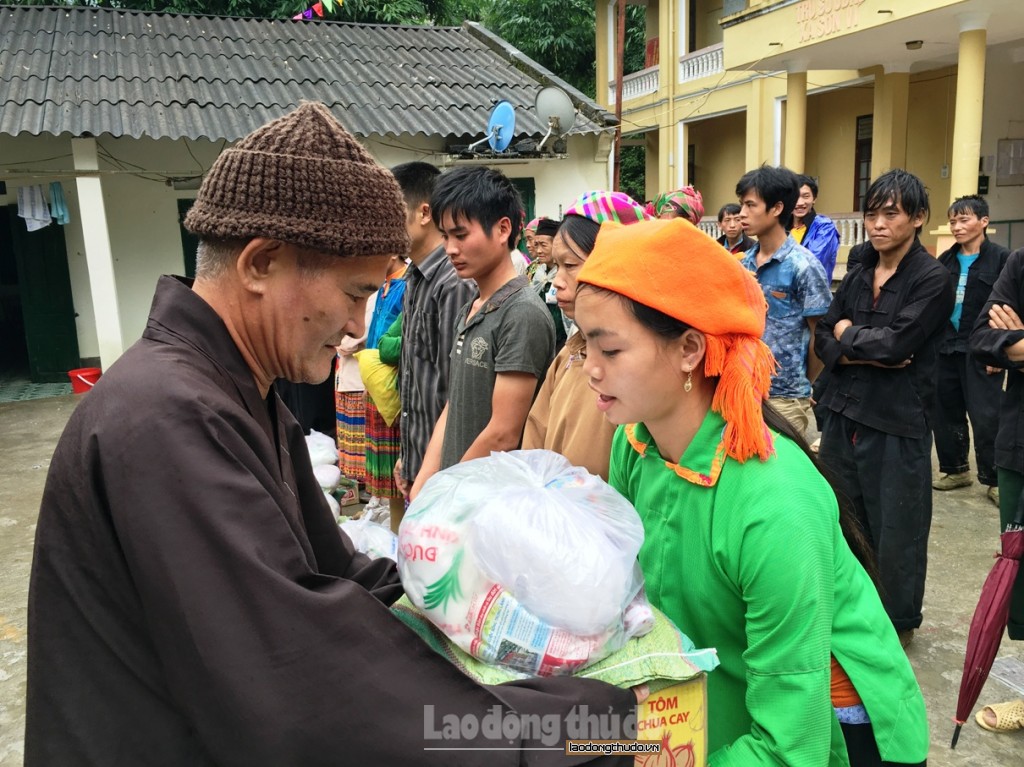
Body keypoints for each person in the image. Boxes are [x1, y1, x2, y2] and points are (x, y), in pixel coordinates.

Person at [24, 103, 637, 766]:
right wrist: (568, 727)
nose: (355, 327)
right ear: (261, 263)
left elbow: (338, 571)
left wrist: (480, 606)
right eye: (352, 293)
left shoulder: (230, 393)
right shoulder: (167, 416)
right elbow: (303, 688)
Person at [573, 217, 928, 766]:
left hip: (831, 727)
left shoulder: (774, 502)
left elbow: (792, 744)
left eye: (611, 351)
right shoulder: (635, 443)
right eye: (583, 346)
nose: (590, 371)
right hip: (720, 682)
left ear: (690, 349)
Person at [814, 169, 954, 646]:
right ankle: (849, 610)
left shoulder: (932, 278)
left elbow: (898, 346)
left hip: (897, 421)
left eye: (890, 214)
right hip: (843, 412)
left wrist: (847, 337)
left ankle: (897, 624)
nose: (877, 224)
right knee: (842, 517)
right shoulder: (858, 274)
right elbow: (823, 333)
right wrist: (855, 345)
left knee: (898, 527)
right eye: (871, 213)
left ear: (916, 218)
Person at [410, 166, 556, 498]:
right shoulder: (472, 306)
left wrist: (448, 492)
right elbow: (454, 403)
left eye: (461, 235)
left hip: (489, 499)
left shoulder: (521, 313)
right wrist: (426, 479)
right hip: (460, 489)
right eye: (445, 236)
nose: (450, 249)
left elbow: (504, 432)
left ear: (503, 229)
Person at [523, 190, 650, 480]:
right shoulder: (570, 352)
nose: (557, 282)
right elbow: (535, 436)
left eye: (571, 266)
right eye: (557, 267)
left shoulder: (645, 366)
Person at [388, 161, 475, 505]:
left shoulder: (452, 283)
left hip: (442, 476)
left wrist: (428, 470)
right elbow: (416, 382)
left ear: (424, 213)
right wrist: (408, 458)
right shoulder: (415, 278)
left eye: (392, 213)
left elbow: (454, 392)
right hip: (421, 466)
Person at [969, 245, 1024, 734]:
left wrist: (1022, 345)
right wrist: (1009, 343)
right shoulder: (1022, 262)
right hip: (1021, 445)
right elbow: (984, 338)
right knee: (1020, 574)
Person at [738, 165, 832, 436]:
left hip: (784, 399)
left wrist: (803, 385)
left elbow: (820, 335)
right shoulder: (744, 264)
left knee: (776, 473)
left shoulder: (803, 266)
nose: (742, 213)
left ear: (777, 208)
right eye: (741, 205)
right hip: (744, 390)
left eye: (750, 205)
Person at [932, 195, 1009, 505]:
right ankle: (955, 469)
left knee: (988, 415)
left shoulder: (1002, 260)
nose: (956, 226)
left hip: (982, 349)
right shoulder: (945, 261)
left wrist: (1000, 352)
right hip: (946, 346)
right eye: (952, 221)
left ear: (983, 222)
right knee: (945, 410)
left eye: (964, 220)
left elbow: (1010, 306)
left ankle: (996, 479)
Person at [362, 252, 407, 523]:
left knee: (397, 469)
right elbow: (385, 340)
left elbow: (394, 345)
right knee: (389, 469)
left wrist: (386, 346)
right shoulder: (385, 285)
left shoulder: (409, 286)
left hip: (394, 383)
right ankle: (389, 517)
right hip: (378, 378)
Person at [791, 175, 841, 283]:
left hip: (812, 295)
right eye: (794, 196)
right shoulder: (781, 227)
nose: (799, 203)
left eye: (805, 196)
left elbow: (812, 263)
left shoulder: (824, 227)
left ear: (814, 199)